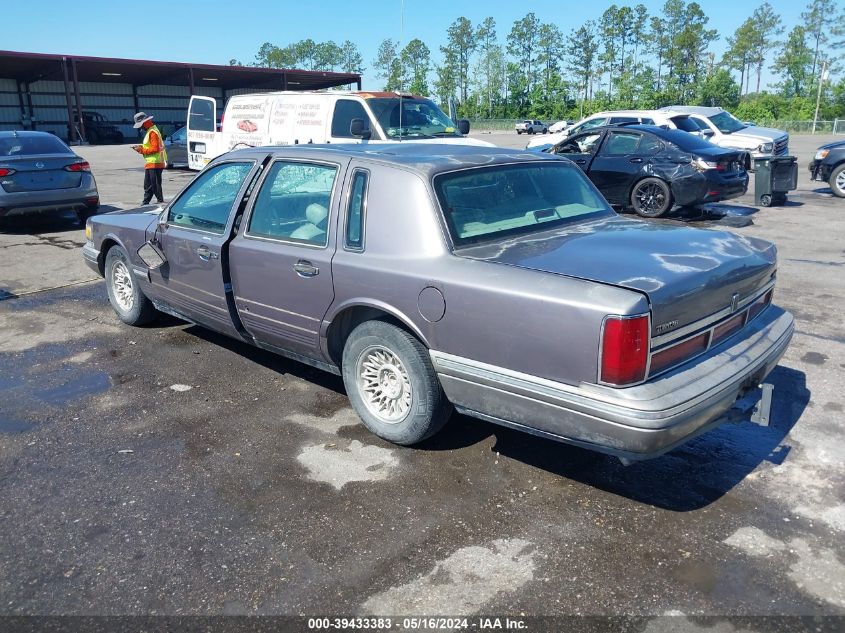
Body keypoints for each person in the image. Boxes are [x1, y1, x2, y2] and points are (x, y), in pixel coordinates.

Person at [130, 112, 167, 205]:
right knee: (148, 185)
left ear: (146, 122)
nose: (141, 128)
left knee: (155, 185)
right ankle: (145, 202)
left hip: (155, 163)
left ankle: (160, 202)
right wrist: (141, 148)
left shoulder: (152, 132)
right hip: (152, 163)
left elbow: (155, 149)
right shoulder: (152, 131)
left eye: (141, 125)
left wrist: (141, 150)